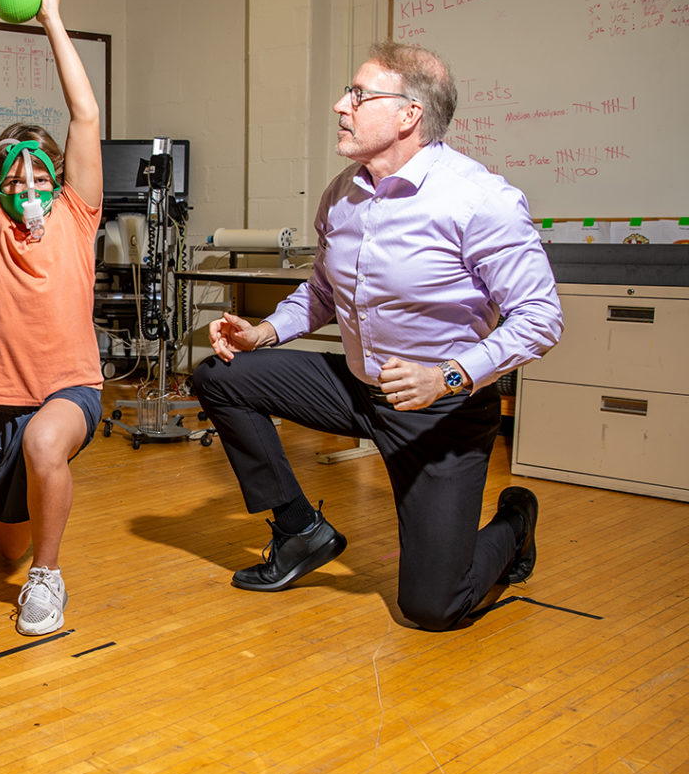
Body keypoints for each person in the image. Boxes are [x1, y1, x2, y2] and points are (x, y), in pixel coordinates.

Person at [192, 41, 563, 632]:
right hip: (358, 387)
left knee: (433, 608)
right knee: (221, 374)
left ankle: (514, 525)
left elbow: (540, 317)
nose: (342, 104)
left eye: (360, 95)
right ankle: (300, 531)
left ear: (409, 114)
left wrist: (447, 375)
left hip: (441, 412)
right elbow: (321, 291)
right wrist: (262, 331)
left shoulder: (479, 199)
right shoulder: (344, 192)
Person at [0, 0, 103, 636]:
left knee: (46, 445)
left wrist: (51, 18)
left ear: (58, 176)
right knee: (4, 544)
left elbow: (85, 115)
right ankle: (27, 555)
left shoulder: (77, 214)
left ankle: (49, 578)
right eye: (16, 169)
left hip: (70, 392)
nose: (31, 178)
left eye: (42, 167)